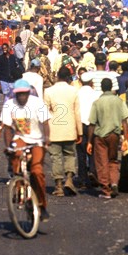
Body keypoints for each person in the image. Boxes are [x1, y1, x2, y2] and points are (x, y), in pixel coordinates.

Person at [1, 79, 51, 221]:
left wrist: (47, 138)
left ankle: (41, 205)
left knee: (37, 171)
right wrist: (8, 146)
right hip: (20, 138)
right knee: (16, 156)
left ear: (29, 93)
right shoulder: (9, 105)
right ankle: (18, 188)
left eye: (24, 94)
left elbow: (46, 123)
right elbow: (7, 128)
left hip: (37, 140)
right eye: (19, 94)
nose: (22, 97)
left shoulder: (38, 103)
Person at [87, 78, 128, 199]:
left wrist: (89, 142)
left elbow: (92, 123)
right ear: (112, 87)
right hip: (114, 135)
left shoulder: (97, 102)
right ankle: (114, 183)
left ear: (101, 87)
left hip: (100, 136)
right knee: (113, 160)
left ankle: (106, 189)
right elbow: (125, 120)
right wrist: (126, 138)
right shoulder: (118, 101)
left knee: (102, 162)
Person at [44, 67, 82, 196]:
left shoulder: (48, 91)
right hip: (70, 129)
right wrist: (80, 132)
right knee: (70, 155)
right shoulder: (74, 91)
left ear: (57, 76)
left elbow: (45, 112)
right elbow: (77, 113)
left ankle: (59, 185)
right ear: (68, 77)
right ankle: (69, 179)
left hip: (54, 130)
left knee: (56, 158)